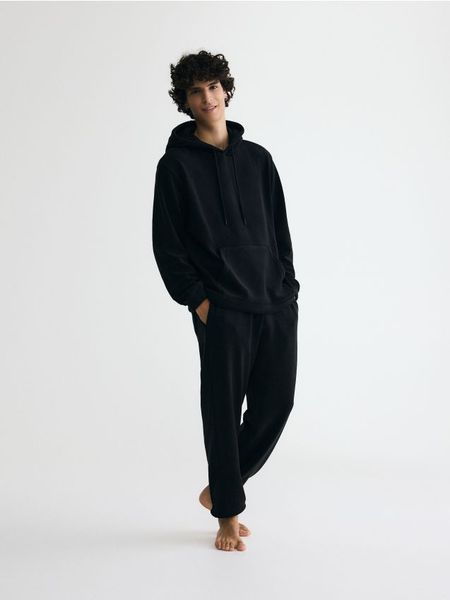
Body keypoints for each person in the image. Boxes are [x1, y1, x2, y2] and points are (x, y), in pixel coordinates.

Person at [152, 50, 300, 552]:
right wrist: (198, 301)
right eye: (196, 91)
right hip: (221, 307)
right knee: (222, 409)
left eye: (213, 87)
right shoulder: (175, 166)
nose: (207, 98)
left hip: (274, 302)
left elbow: (280, 231)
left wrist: (288, 287)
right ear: (185, 101)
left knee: (277, 404)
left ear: (226, 91)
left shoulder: (259, 159)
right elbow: (167, 243)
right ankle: (228, 514)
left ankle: (219, 489)